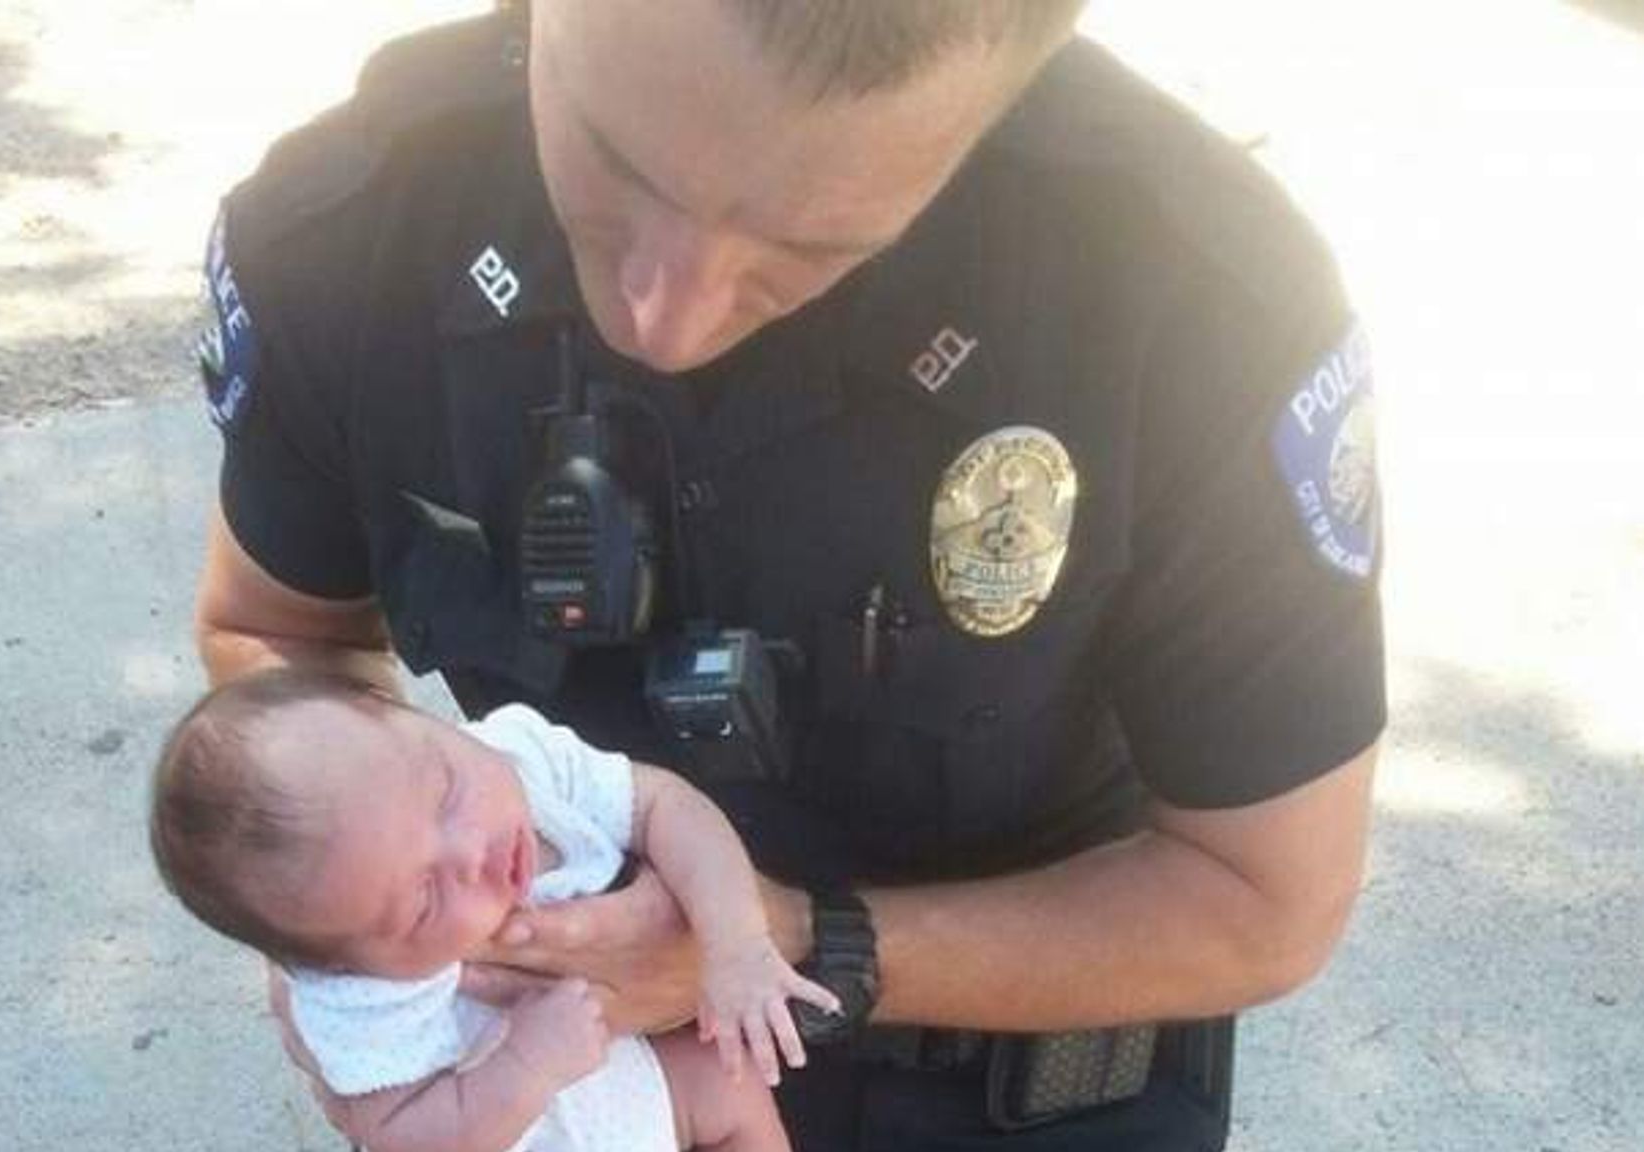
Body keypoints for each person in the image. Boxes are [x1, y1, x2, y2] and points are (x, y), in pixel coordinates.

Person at [190, 1, 1385, 1148]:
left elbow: (1261, 900)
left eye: (810, 251)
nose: (664, 316)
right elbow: (276, 633)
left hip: (1028, 1109)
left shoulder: (1198, 305)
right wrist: (355, 911)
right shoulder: (351, 230)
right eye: (615, 167)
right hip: (571, 1094)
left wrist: (792, 946)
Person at [150, 667, 838, 1152]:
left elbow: (668, 805)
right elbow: (395, 1129)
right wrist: (527, 1068)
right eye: (423, 898)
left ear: (407, 711)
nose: (472, 851)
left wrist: (736, 943)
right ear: (341, 967)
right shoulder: (362, 998)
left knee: (730, 1082)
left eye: (446, 790)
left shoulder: (522, 756)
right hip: (527, 1129)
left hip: (652, 1086)